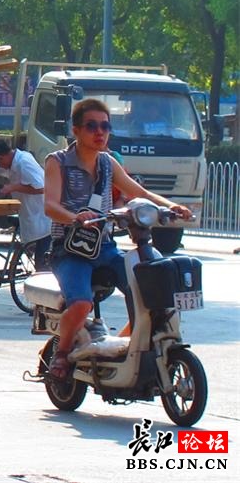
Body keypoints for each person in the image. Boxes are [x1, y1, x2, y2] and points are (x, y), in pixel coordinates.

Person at [44, 98, 192, 380]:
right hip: (69, 250)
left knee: (150, 292)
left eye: (105, 126)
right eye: (92, 126)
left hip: (105, 248)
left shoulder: (108, 163)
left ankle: (119, 347)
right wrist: (75, 217)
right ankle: (61, 353)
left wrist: (170, 207)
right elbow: (50, 206)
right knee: (81, 303)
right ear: (76, 130)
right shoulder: (58, 162)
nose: (100, 132)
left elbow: (140, 193)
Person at [0, 140, 51, 264]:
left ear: (1, 158)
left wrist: (13, 187)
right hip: (29, 215)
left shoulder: (23, 162)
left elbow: (41, 188)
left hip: (42, 219)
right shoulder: (11, 162)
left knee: (41, 264)